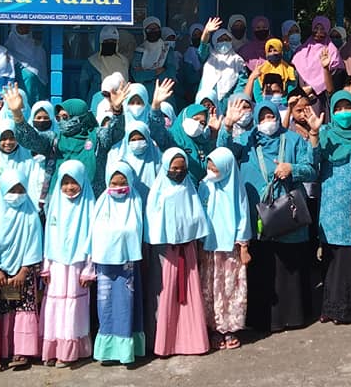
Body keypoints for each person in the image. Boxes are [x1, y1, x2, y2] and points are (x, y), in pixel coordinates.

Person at [221, 101, 316, 332]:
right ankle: (261, 319)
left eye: (270, 116)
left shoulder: (292, 139)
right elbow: (222, 154)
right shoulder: (247, 141)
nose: (267, 122)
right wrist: (227, 125)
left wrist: (292, 168)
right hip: (258, 214)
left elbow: (312, 169)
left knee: (289, 266)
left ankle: (292, 317)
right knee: (261, 265)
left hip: (288, 214)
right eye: (262, 117)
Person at [145, 148, 211, 356]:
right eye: (174, 168)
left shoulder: (188, 187)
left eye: (182, 168)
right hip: (166, 251)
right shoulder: (158, 191)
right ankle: (165, 343)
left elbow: (197, 218)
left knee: (189, 294)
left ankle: (192, 341)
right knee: (166, 294)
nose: (178, 172)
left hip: (187, 250)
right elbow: (154, 222)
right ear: (165, 168)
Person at [316, 91, 351, 325]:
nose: (343, 113)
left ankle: (347, 309)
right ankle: (328, 307)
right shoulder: (324, 133)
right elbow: (313, 160)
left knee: (349, 258)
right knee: (331, 257)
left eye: (346, 107)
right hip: (330, 204)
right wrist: (312, 133)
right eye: (337, 109)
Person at [91, 163, 147, 365]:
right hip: (105, 265)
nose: (118, 187)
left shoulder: (135, 201)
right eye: (113, 183)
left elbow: (135, 229)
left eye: (123, 183)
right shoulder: (101, 203)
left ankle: (126, 352)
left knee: (126, 306)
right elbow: (93, 234)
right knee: (105, 306)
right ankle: (107, 350)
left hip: (127, 265)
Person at [41, 161, 97, 367]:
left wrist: (89, 269)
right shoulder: (55, 203)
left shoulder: (89, 205)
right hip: (56, 264)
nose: (69, 187)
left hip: (77, 265)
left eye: (74, 182)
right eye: (64, 183)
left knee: (74, 307)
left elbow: (92, 239)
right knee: (54, 307)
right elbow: (49, 235)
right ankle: (53, 349)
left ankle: (69, 352)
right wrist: (46, 264)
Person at [0, 168, 44, 371]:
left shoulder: (30, 213)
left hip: (23, 272)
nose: (17, 195)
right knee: (2, 311)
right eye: (12, 190)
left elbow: (35, 242)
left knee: (23, 309)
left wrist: (24, 269)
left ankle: (22, 352)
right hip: (0, 273)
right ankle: (0, 352)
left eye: (21, 189)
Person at [197, 147, 251, 350]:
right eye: (209, 167)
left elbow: (243, 217)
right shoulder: (205, 185)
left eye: (216, 169)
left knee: (229, 290)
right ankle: (213, 328)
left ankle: (229, 329)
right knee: (210, 289)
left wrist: (243, 245)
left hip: (230, 250)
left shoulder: (236, 188)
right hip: (209, 248)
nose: (212, 172)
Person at [290, 16, 342, 107]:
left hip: (322, 99)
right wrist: (302, 90)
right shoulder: (302, 50)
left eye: (322, 29)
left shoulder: (332, 51)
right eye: (316, 28)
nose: (319, 32)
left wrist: (313, 88)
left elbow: (335, 77)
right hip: (302, 96)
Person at [200, 27, 247, 112]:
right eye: (220, 40)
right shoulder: (209, 56)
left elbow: (242, 83)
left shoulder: (237, 60)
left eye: (227, 39)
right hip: (206, 100)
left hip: (227, 103)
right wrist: (206, 31)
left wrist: (234, 101)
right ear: (214, 41)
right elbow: (202, 47)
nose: (224, 42)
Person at [4, 24, 49, 102]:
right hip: (20, 88)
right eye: (20, 27)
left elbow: (43, 69)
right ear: (14, 29)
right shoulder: (8, 48)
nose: (24, 30)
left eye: (26, 27)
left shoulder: (37, 45)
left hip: (38, 87)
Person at [85, 26, 131, 101]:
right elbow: (84, 86)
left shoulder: (124, 61)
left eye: (113, 41)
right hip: (98, 101)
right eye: (106, 42)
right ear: (101, 42)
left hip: (120, 101)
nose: (110, 44)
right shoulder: (92, 61)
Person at [131, 17, 171, 90]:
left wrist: (146, 73)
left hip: (163, 92)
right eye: (150, 29)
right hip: (144, 92)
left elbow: (170, 75)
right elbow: (137, 77)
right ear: (145, 31)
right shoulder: (139, 51)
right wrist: (155, 72)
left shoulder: (167, 50)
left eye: (156, 29)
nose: (153, 31)